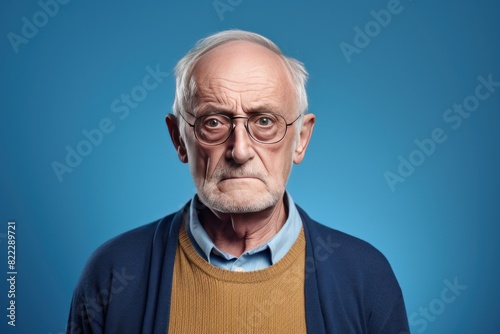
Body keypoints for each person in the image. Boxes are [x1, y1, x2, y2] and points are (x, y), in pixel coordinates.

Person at [68, 29, 409, 334]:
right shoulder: (114, 273)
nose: (240, 150)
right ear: (178, 139)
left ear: (301, 139)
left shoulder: (366, 277)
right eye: (214, 122)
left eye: (264, 121)